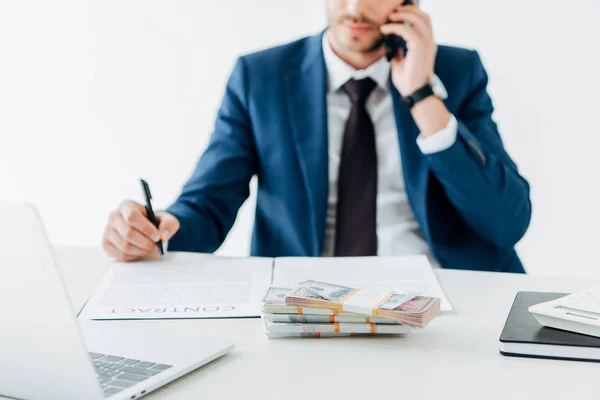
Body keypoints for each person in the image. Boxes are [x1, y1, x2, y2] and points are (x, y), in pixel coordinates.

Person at [101, 0, 531, 273]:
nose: (356, 7)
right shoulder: (260, 78)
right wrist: (162, 229)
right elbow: (209, 201)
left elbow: (506, 221)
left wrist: (422, 95)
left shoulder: (456, 71)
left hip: (442, 302)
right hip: (308, 305)